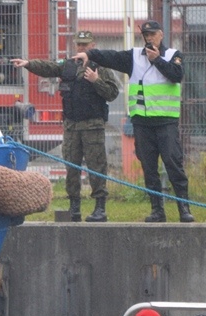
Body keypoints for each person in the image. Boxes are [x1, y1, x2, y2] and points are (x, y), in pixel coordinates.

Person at [72, 20, 193, 223]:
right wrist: (89, 54)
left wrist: (157, 61)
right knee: (149, 167)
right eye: (146, 34)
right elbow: (111, 57)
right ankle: (157, 210)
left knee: (173, 164)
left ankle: (184, 208)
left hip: (166, 122)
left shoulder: (174, 55)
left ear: (161, 35)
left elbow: (177, 76)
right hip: (142, 124)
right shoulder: (134, 56)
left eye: (152, 34)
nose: (149, 38)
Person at [11, 30, 120, 222]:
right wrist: (28, 64)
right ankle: (74, 207)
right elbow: (48, 67)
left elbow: (112, 93)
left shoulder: (100, 67)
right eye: (79, 44)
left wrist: (96, 81)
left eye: (85, 44)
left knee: (96, 165)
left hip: (92, 125)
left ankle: (99, 207)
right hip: (71, 126)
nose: (81, 47)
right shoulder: (68, 65)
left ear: (93, 45)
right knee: (71, 166)